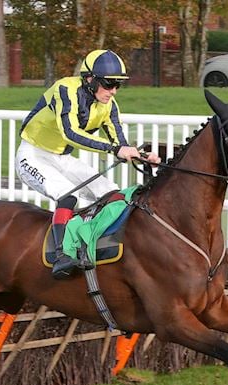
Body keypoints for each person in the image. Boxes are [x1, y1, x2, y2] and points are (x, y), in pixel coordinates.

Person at [15, 49, 160, 279]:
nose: (113, 91)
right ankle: (62, 255)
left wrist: (141, 155)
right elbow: (70, 133)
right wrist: (115, 149)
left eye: (118, 85)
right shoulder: (66, 89)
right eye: (109, 83)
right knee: (68, 196)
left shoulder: (109, 105)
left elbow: (119, 142)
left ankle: (92, 243)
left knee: (112, 194)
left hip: (62, 158)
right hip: (32, 155)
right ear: (90, 79)